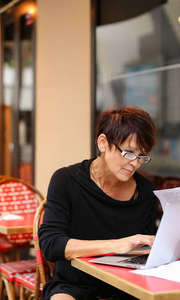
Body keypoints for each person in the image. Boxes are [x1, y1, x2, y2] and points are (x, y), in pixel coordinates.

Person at [38, 106, 157, 300]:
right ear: (103, 143)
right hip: (74, 285)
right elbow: (51, 244)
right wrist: (117, 245)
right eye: (129, 153)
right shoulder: (66, 180)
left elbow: (148, 249)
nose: (135, 163)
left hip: (128, 287)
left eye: (142, 156)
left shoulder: (145, 191)